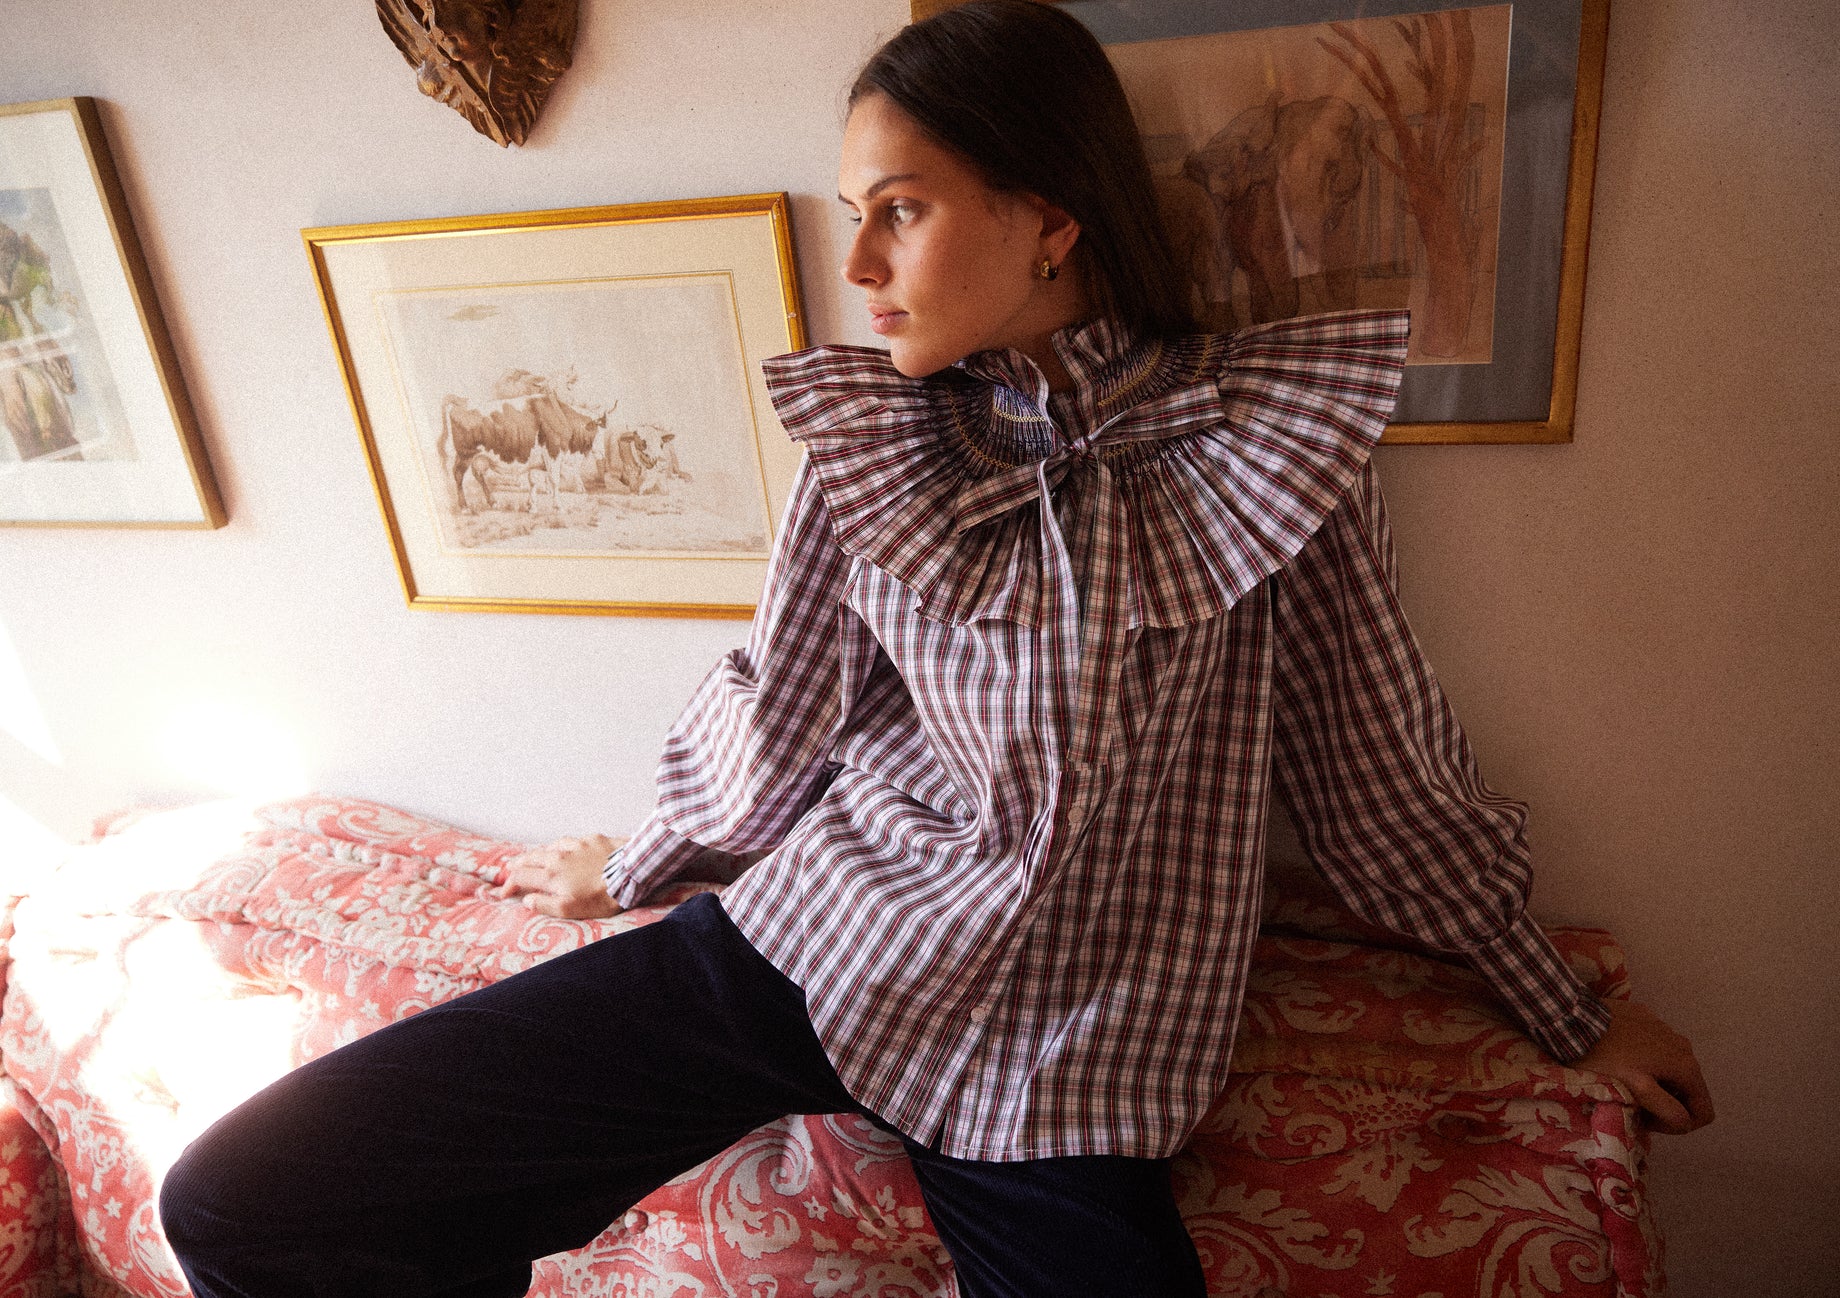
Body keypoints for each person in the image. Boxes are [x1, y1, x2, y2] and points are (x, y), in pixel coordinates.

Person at [159, 3, 1713, 1295]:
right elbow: (781, 702)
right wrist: (636, 859)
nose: (860, 267)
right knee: (244, 1199)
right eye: (857, 216)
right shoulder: (876, 440)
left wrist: (1566, 1002)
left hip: (1072, 1056)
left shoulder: (1266, 449)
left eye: (897, 211)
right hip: (814, 952)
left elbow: (1373, 770)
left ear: (1049, 220)